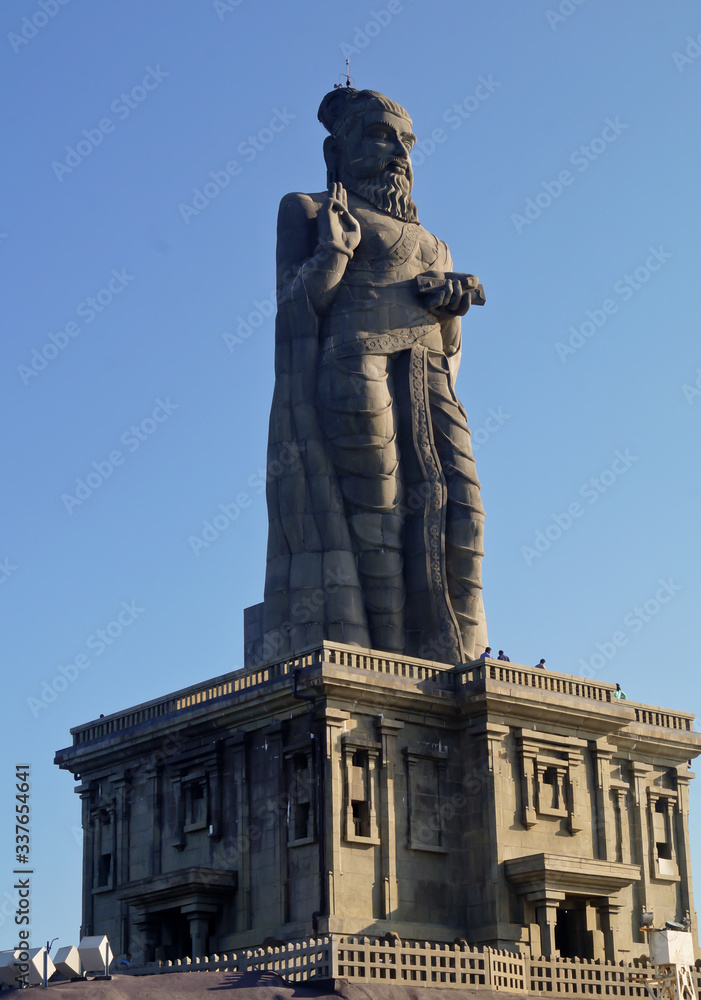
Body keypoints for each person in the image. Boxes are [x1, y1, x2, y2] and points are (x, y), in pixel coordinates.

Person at [261, 87, 487, 664]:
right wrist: (334, 253)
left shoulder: (436, 243)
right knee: (377, 517)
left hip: (429, 378)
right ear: (335, 152)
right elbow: (293, 308)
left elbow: (449, 346)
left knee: (461, 510)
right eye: (382, 137)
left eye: (406, 142)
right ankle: (381, 661)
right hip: (355, 365)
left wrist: (451, 307)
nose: (399, 153)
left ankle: (456, 656)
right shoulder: (309, 208)